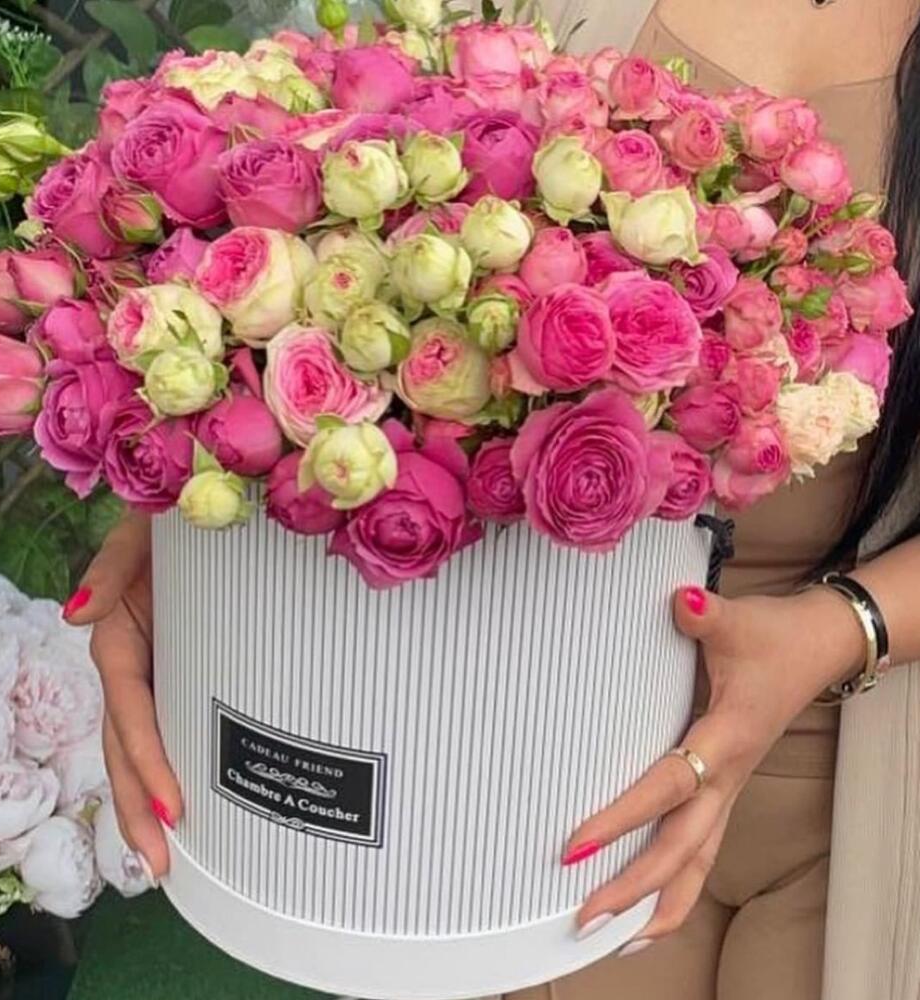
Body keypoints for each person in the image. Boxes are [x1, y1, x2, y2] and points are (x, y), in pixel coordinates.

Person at [68, 1, 920, 997]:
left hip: (850, 768)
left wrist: (840, 629)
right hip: (527, 750)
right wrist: (173, 517)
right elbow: (339, 263)